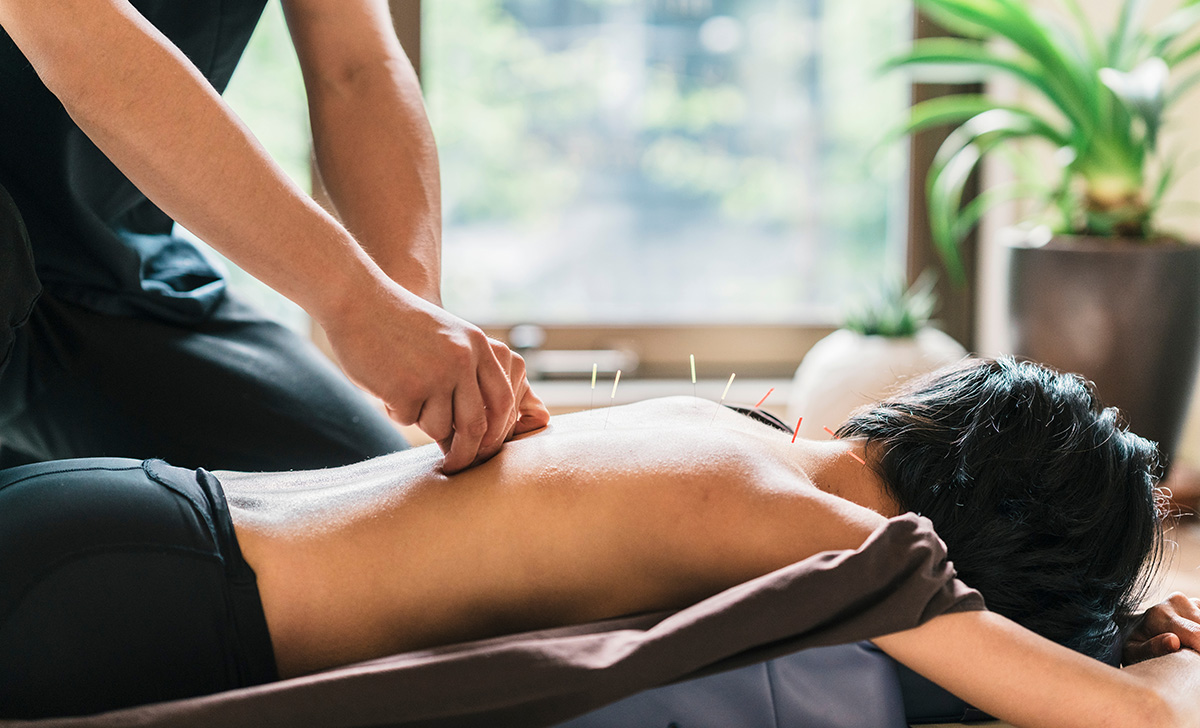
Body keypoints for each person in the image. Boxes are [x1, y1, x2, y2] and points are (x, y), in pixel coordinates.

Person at [4, 356, 1200, 726]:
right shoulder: (811, 533)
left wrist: (1086, 622)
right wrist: (1095, 644)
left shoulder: (744, 436)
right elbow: (1141, 723)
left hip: (131, 517)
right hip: (146, 604)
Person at [0, 0, 546, 475]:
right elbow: (82, 37)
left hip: (112, 273)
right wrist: (358, 304)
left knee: (374, 496)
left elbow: (356, 73)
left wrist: (412, 314)